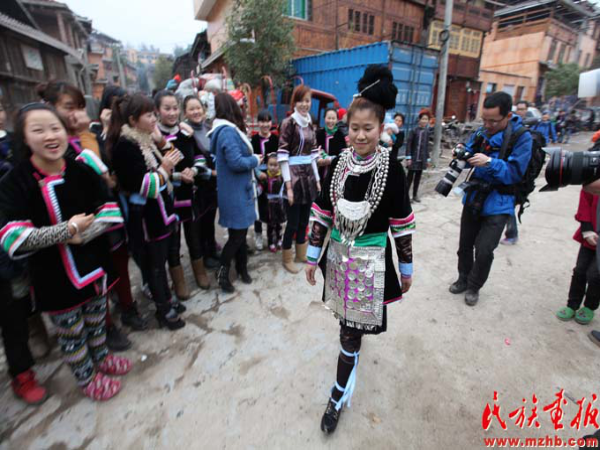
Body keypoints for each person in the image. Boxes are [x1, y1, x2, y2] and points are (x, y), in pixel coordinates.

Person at [305, 65, 414, 434]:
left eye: (368, 128)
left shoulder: (392, 170)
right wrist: (312, 256)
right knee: (347, 325)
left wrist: (407, 267)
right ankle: (348, 360)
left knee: (350, 332)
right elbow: (323, 211)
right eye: (354, 128)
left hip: (371, 264)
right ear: (346, 129)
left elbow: (401, 223)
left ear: (381, 128)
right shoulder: (339, 164)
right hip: (339, 258)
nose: (361, 135)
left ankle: (336, 395)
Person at [0, 103, 132, 401]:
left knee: (96, 320)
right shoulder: (15, 182)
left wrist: (82, 233)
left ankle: (102, 357)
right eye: (38, 130)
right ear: (23, 137)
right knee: (72, 333)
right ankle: (87, 377)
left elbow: (111, 212)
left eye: (55, 128)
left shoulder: (80, 168)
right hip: (54, 276)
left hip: (94, 264)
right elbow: (13, 239)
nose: (50, 136)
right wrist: (66, 231)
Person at [38, 82, 133, 350]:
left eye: (80, 107)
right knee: (92, 278)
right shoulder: (55, 148)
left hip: (106, 215)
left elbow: (107, 171)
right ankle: (103, 330)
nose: (76, 114)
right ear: (50, 109)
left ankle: (124, 310)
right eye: (68, 107)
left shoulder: (89, 136)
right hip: (75, 225)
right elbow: (88, 174)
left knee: (116, 266)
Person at [108, 94, 186, 331]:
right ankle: (164, 310)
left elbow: (176, 159)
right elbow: (146, 186)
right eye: (149, 115)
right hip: (146, 219)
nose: (154, 119)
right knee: (154, 266)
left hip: (160, 212)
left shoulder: (146, 140)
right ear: (133, 120)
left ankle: (167, 299)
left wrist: (162, 143)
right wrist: (165, 169)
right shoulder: (126, 146)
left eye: (154, 114)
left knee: (160, 262)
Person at [449, 91, 532, 306]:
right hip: (474, 197)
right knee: (464, 245)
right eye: (484, 119)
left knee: (485, 250)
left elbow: (515, 172)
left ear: (508, 116)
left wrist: (489, 162)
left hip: (499, 203)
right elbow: (469, 152)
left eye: (493, 121)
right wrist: (461, 153)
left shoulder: (522, 138)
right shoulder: (482, 131)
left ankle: (474, 286)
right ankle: (463, 278)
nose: (487, 125)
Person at [155, 90, 211, 298]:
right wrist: (178, 176)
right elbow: (153, 170)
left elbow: (199, 157)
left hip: (190, 195)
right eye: (166, 108)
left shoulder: (185, 133)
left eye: (174, 108)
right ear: (157, 111)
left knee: (194, 236)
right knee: (173, 243)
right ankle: (179, 282)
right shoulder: (154, 139)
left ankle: (200, 273)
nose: (172, 113)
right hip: (169, 199)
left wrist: (194, 171)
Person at [208, 92, 261, 293]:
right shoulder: (227, 132)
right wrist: (255, 160)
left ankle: (242, 269)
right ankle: (222, 275)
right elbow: (236, 162)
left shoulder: (225, 130)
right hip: (235, 193)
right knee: (237, 237)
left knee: (239, 234)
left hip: (234, 191)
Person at [278, 85, 321, 274]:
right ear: (294, 102)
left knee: (305, 220)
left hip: (308, 178)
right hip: (294, 178)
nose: (304, 104)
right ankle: (287, 257)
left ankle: (301, 253)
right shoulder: (289, 123)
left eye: (307, 101)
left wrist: (317, 179)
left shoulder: (310, 122)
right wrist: (288, 187)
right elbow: (283, 156)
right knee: (293, 222)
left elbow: (312, 155)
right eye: (301, 100)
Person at [183, 95, 220, 270]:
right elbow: (191, 160)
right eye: (191, 109)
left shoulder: (208, 127)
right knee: (200, 223)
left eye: (198, 108)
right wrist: (211, 173)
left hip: (212, 185)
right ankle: (205, 256)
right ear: (185, 113)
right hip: (198, 185)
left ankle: (212, 250)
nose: (196, 112)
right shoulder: (185, 133)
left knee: (210, 219)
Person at [556, 189, 600, 325]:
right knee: (580, 270)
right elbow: (585, 200)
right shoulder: (595, 181)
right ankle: (572, 304)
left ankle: (590, 306)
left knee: (595, 275)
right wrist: (586, 228)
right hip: (590, 234)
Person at [251, 110, 279, 251]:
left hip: (272, 179)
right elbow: (251, 160)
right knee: (258, 208)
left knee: (271, 208)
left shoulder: (275, 139)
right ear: (258, 123)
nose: (265, 124)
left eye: (267, 121)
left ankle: (272, 237)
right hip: (257, 178)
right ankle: (258, 235)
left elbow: (280, 160)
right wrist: (258, 174)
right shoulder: (253, 140)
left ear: (271, 123)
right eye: (262, 121)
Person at [258, 153, 287, 252]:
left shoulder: (282, 178)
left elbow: (286, 190)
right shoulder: (266, 178)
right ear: (267, 165)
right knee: (270, 225)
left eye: (275, 165)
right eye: (271, 165)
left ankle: (279, 240)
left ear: (279, 166)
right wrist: (257, 190)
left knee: (279, 225)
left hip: (279, 205)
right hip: (269, 206)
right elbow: (260, 188)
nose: (273, 167)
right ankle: (270, 242)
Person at [405, 110, 431, 203]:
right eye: (423, 119)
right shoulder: (414, 131)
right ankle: (406, 196)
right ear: (419, 120)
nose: (424, 121)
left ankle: (415, 195)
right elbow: (409, 144)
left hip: (422, 159)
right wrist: (408, 157)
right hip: (413, 159)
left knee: (418, 178)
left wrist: (428, 159)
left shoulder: (427, 132)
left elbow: (427, 146)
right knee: (409, 178)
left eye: (426, 119)